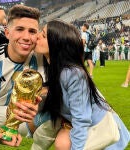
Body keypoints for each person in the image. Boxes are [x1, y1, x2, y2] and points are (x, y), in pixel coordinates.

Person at [34, 19, 130, 150]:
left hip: (98, 129)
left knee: (63, 143)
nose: (37, 36)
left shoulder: (72, 74)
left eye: (44, 35)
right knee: (61, 141)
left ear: (57, 43)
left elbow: (81, 119)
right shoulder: (53, 67)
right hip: (81, 123)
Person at [0, 4, 47, 146]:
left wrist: (38, 103)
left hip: (14, 114)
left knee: (62, 113)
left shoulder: (41, 57)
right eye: (20, 29)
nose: (27, 37)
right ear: (7, 33)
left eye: (32, 31)